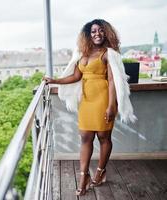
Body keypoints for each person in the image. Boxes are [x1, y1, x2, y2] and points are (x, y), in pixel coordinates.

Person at [43, 19, 136, 196]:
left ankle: (100, 172)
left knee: (103, 137)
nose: (97, 34)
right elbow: (76, 76)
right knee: (85, 137)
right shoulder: (82, 53)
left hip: (103, 98)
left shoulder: (109, 54)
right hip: (86, 100)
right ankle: (84, 176)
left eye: (101, 31)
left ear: (106, 33)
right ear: (88, 34)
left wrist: (111, 106)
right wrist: (55, 80)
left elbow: (112, 81)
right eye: (93, 31)